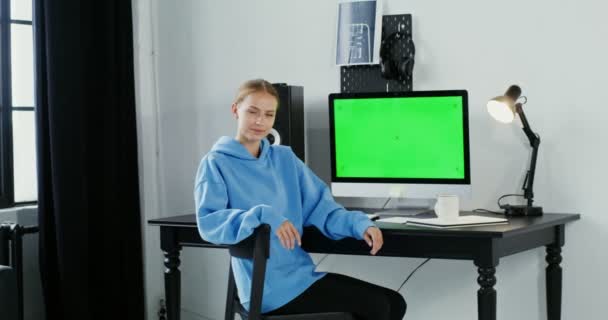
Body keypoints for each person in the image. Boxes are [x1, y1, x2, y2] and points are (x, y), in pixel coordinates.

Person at [194, 79, 406, 319]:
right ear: (236, 110)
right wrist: (262, 214)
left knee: (395, 302)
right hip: (266, 289)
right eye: (252, 112)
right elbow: (209, 222)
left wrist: (360, 225)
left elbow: (322, 207)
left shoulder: (284, 159)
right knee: (378, 307)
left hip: (300, 275)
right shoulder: (216, 163)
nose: (260, 121)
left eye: (268, 114)